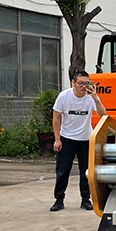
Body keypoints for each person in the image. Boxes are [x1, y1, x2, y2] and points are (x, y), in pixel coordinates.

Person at [49, 70, 106, 212]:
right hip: (66, 138)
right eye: (80, 83)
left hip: (85, 139)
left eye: (86, 83)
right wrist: (57, 139)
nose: (83, 86)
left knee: (86, 172)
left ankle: (86, 199)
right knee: (63, 171)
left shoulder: (90, 98)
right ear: (73, 83)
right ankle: (59, 199)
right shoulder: (64, 96)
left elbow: (103, 115)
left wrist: (96, 98)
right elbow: (56, 117)